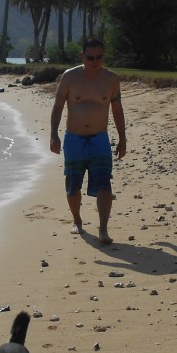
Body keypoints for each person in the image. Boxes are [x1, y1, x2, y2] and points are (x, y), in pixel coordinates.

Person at [49, 38, 127, 244]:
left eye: (99, 57)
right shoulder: (69, 77)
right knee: (73, 184)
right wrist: (53, 135)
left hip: (99, 139)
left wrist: (122, 139)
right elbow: (57, 107)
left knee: (104, 183)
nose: (95, 61)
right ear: (82, 56)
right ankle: (77, 221)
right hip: (74, 139)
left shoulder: (110, 79)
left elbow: (117, 110)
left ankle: (103, 229)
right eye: (90, 57)